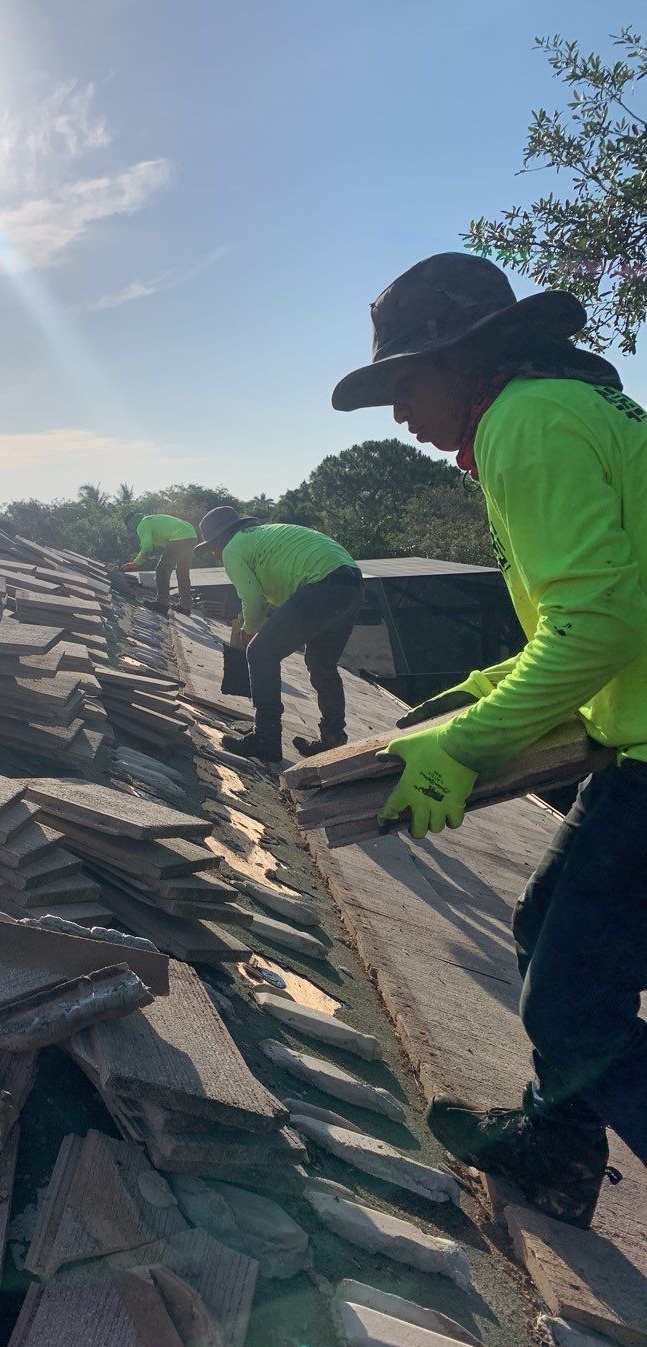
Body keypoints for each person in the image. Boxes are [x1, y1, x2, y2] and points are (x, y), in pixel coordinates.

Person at [332, 250, 647, 1227]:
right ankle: (552, 1153)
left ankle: (556, 1148)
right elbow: (596, 614)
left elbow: (600, 623)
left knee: (575, 1006)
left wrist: (468, 750)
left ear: (468, 360)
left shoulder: (523, 425)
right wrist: (475, 694)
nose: (398, 413)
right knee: (545, 931)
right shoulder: (568, 407)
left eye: (405, 382)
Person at [196, 506, 363, 762]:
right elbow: (282, 601)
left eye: (212, 549)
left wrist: (249, 632)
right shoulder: (266, 537)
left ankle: (266, 737)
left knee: (261, 652)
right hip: (351, 584)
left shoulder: (233, 548)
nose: (216, 556)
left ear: (218, 541)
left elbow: (252, 601)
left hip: (320, 585)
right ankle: (332, 737)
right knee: (321, 664)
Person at [120, 512, 197, 614]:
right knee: (182, 571)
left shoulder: (142, 524)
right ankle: (185, 605)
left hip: (179, 537)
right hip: (191, 535)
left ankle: (162, 603)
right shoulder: (151, 519)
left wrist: (135, 563)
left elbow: (147, 547)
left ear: (131, 524)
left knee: (162, 569)